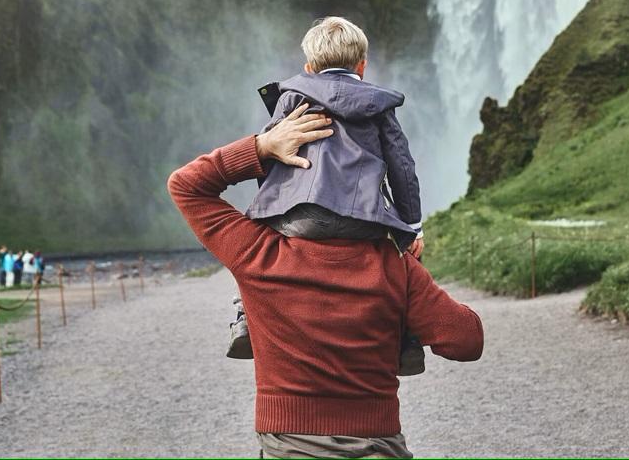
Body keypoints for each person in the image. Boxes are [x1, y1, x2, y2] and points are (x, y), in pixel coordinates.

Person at [168, 104, 483, 458]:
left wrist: (263, 146)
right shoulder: (395, 266)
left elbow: (186, 186)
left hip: (288, 443)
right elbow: (467, 341)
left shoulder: (257, 253)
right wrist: (412, 269)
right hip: (377, 444)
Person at [228, 16, 427, 374]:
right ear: (362, 66)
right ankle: (406, 338)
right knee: (406, 260)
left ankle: (245, 319)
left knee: (250, 248)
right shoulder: (379, 106)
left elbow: (272, 153)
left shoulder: (291, 98)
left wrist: (272, 208)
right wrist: (413, 227)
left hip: (299, 217)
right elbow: (402, 167)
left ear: (308, 68)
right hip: (363, 218)